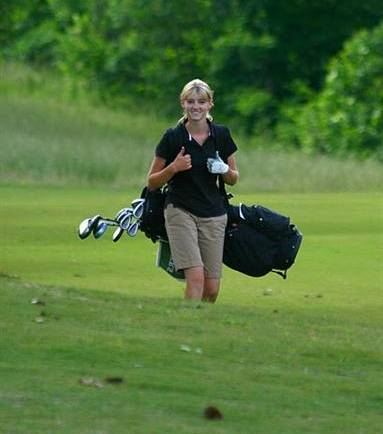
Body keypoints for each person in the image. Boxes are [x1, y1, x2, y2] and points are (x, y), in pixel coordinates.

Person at [147, 79, 239, 302]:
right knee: (196, 278)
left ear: (210, 105)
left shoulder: (221, 135)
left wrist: (224, 169)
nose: (195, 107)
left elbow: (234, 178)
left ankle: (203, 329)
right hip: (180, 210)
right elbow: (152, 182)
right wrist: (174, 168)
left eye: (201, 102)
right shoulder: (173, 137)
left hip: (214, 214)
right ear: (183, 104)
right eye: (190, 102)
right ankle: (187, 325)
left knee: (212, 288)